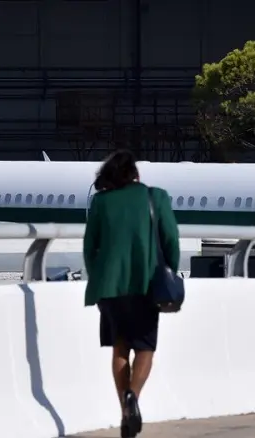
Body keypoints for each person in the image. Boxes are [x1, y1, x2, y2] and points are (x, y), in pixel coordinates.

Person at [83, 149, 180, 438]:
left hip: (109, 286)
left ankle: (125, 412)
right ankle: (133, 396)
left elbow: (90, 247)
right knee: (146, 348)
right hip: (146, 283)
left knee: (120, 347)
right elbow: (171, 239)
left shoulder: (101, 202)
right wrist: (169, 272)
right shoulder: (156, 197)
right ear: (136, 174)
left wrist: (98, 279)